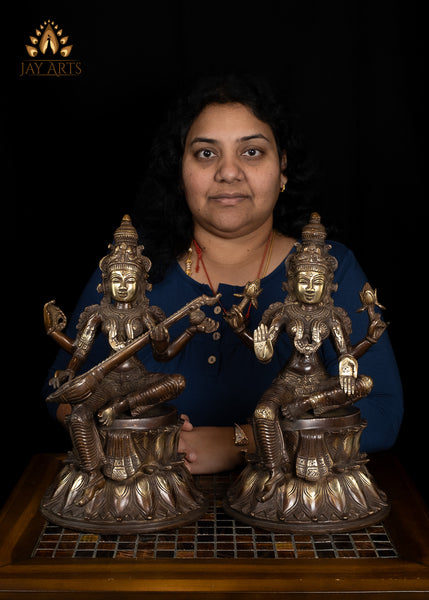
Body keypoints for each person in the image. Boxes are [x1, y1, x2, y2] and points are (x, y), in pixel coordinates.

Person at [45, 74, 403, 475]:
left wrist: (241, 442)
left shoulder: (335, 267)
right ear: (180, 170)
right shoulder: (128, 271)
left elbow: (383, 413)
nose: (228, 172)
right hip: (146, 503)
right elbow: (61, 393)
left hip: (296, 519)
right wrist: (135, 433)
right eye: (205, 154)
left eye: (252, 152)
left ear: (282, 167)